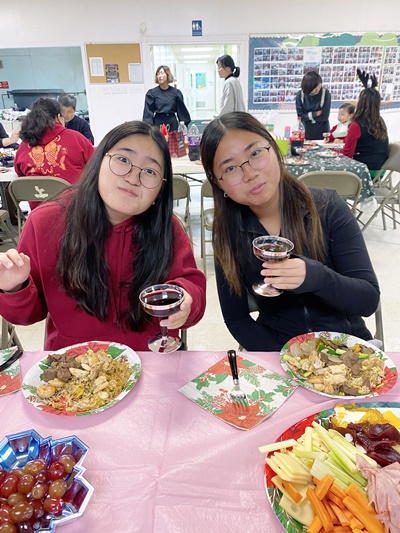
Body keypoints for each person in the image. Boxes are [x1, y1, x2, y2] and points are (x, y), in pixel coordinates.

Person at [0, 120, 206, 351]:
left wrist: (186, 299)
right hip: (72, 362)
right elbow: (28, 314)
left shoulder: (167, 228)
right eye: (123, 160)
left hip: (151, 357)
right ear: (98, 162)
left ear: (160, 190)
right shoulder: (45, 222)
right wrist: (14, 288)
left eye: (150, 171)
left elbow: (191, 286)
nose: (132, 178)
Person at [199, 112, 380, 352]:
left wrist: (316, 277)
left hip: (347, 348)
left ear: (275, 149)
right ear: (217, 181)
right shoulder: (227, 235)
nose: (250, 174)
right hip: (277, 349)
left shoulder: (327, 207)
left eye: (255, 153)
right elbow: (236, 318)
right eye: (230, 168)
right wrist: (285, 358)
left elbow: (368, 300)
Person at [14, 97, 94, 209]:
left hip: (40, 213)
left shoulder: (24, 145)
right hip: (76, 210)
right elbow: (96, 165)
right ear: (58, 117)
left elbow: (21, 176)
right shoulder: (76, 138)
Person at [342, 72, 389, 175]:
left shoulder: (357, 125)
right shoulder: (380, 121)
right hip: (380, 171)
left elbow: (347, 155)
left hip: (364, 171)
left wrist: (335, 152)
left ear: (361, 103)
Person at [143, 66, 191, 132]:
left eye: (162, 73)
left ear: (168, 75)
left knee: (173, 138)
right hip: (158, 122)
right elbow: (148, 113)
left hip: (172, 122)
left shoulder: (176, 93)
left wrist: (184, 126)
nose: (160, 76)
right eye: (158, 74)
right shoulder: (151, 93)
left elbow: (182, 111)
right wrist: (148, 129)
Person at [296, 71, 331, 140]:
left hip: (322, 130)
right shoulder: (300, 95)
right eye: (314, 87)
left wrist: (308, 116)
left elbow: (324, 117)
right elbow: (301, 117)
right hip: (306, 131)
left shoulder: (325, 93)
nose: (317, 89)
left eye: (319, 86)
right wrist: (315, 114)